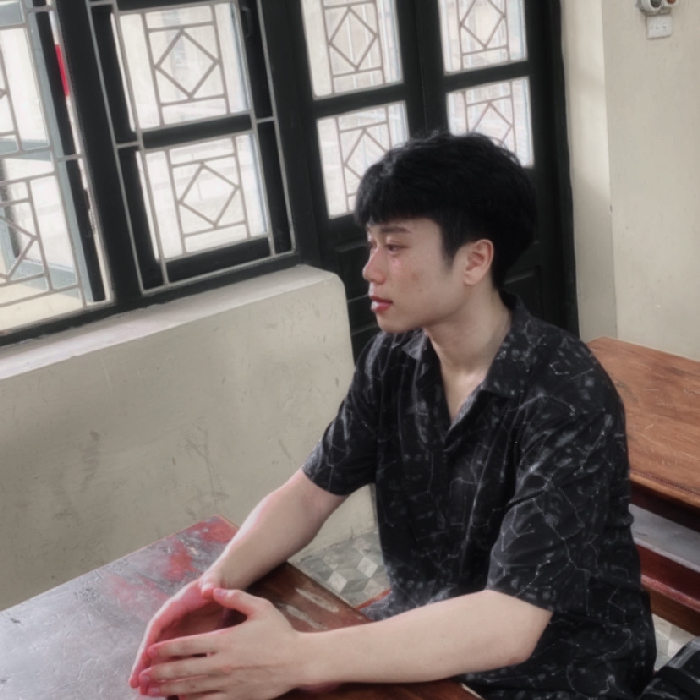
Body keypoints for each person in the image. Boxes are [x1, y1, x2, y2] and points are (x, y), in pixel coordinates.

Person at [129, 132, 656, 700]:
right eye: (371, 244)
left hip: (561, 669)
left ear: (475, 260)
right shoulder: (394, 358)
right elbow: (309, 493)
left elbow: (510, 624)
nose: (370, 269)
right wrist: (212, 587)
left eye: (395, 247)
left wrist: (296, 658)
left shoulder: (566, 392)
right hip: (422, 634)